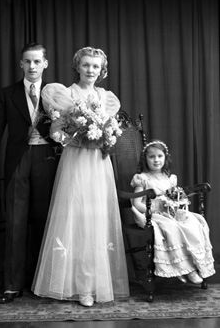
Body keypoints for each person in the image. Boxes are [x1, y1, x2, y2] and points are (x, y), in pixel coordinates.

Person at [0, 42, 60, 304]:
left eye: (37, 61)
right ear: (21, 64)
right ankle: (12, 286)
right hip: (17, 161)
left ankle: (42, 283)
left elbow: (67, 130)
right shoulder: (7, 94)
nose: (32, 66)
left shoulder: (55, 93)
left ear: (45, 64)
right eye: (27, 61)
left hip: (47, 161)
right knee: (15, 223)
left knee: (43, 222)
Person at [32, 47, 129, 307]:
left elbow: (112, 131)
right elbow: (55, 132)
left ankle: (97, 284)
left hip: (98, 164)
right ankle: (79, 287)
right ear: (78, 66)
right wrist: (73, 138)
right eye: (86, 65)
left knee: (96, 220)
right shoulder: (66, 94)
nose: (90, 70)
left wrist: (106, 135)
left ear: (102, 70)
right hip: (75, 163)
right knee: (77, 219)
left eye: (95, 67)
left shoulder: (107, 98)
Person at [131, 139, 215, 284]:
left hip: (169, 212)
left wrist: (178, 201)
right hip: (150, 214)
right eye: (151, 157)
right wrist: (154, 210)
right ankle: (180, 267)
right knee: (172, 227)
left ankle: (192, 266)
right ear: (145, 159)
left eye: (159, 156)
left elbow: (175, 195)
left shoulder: (169, 178)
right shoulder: (143, 178)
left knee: (194, 221)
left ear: (165, 158)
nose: (156, 160)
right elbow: (136, 202)